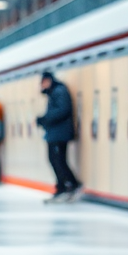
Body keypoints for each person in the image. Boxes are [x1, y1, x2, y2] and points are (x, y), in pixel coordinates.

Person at [36, 71, 82, 203]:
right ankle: (67, 185)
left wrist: (44, 119)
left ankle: (67, 186)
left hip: (60, 134)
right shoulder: (54, 92)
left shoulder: (59, 91)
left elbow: (62, 110)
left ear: (48, 80)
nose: (41, 86)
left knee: (57, 160)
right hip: (56, 133)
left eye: (42, 82)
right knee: (56, 160)